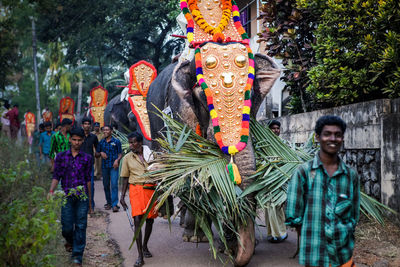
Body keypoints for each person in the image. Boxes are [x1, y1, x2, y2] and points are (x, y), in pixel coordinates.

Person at [286, 115, 360, 267]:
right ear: (318, 137)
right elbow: (294, 214)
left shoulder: (350, 175)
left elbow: (353, 215)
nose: (333, 138)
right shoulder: (303, 172)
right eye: (327, 134)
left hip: (343, 256)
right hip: (315, 256)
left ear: (342, 139)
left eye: (338, 135)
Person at [48, 127, 93, 266]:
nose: (77, 142)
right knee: (66, 226)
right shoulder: (61, 157)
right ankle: (70, 241)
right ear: (70, 139)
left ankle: (77, 257)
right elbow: (57, 176)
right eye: (74, 139)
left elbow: (88, 180)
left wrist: (90, 202)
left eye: (79, 140)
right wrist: (51, 191)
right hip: (66, 196)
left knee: (81, 225)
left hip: (82, 197)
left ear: (83, 140)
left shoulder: (87, 158)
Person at [120, 132, 157, 267]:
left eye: (133, 142)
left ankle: (145, 245)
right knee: (137, 220)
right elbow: (124, 178)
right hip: (135, 189)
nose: (131, 145)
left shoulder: (151, 155)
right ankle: (140, 255)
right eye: (129, 142)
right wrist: (122, 196)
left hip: (151, 189)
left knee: (150, 220)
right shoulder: (127, 158)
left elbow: (160, 171)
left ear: (140, 143)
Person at [264, 119, 288, 243]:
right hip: (269, 180)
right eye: (273, 128)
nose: (276, 130)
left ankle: (280, 233)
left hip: (280, 180)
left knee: (277, 206)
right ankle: (272, 233)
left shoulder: (284, 143)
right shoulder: (264, 144)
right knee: (269, 207)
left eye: (277, 128)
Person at [97, 125, 122, 212]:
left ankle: (115, 204)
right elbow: (96, 155)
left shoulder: (116, 141)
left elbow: (120, 154)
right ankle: (109, 203)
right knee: (106, 185)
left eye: (107, 130)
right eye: (104, 130)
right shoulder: (101, 142)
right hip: (104, 167)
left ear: (111, 131)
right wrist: (100, 153)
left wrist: (117, 160)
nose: (105, 131)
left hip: (114, 166)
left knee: (114, 185)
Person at [80, 117, 99, 212]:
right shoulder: (79, 136)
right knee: (80, 184)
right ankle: (82, 205)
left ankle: (91, 205)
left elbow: (97, 148)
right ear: (82, 125)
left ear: (90, 125)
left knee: (90, 185)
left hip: (89, 164)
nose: (87, 125)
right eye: (85, 124)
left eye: (88, 124)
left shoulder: (93, 137)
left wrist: (98, 153)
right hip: (79, 164)